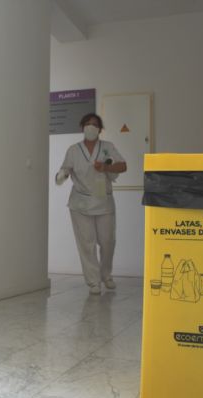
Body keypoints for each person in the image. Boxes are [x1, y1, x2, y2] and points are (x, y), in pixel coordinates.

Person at [56, 113, 127, 295]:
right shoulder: (74, 150)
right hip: (80, 202)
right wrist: (62, 175)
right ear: (82, 127)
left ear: (100, 129)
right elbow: (66, 168)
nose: (90, 127)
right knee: (87, 244)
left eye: (95, 124)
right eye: (87, 124)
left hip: (103, 200)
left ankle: (106, 275)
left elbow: (123, 166)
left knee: (107, 242)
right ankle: (93, 281)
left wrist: (105, 167)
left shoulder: (107, 147)